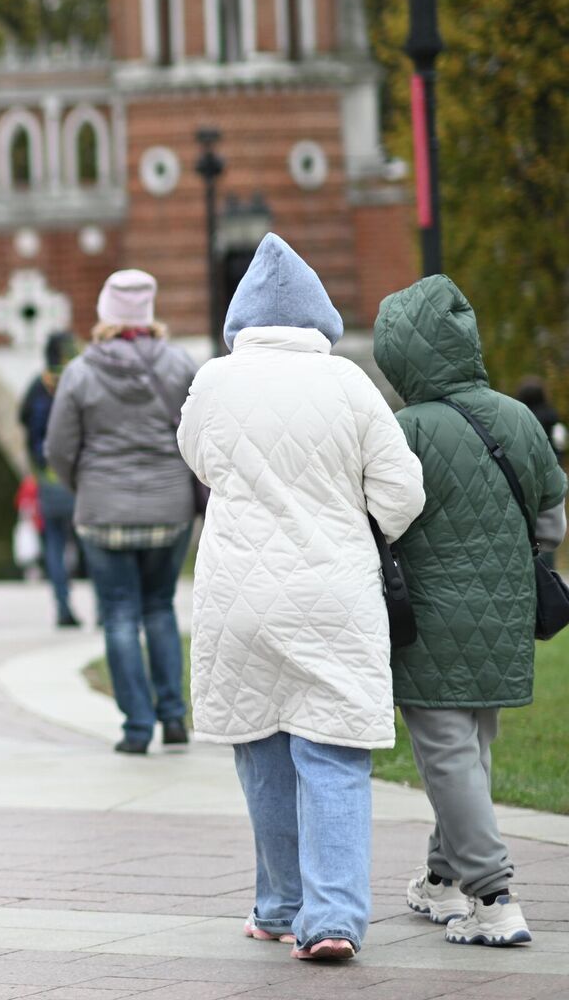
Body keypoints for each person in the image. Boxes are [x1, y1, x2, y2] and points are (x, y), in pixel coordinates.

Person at [179, 234, 425, 962]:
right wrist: (361, 524)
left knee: (261, 748)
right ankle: (334, 917)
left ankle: (280, 905)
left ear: (241, 319)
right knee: (333, 752)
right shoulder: (349, 383)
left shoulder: (214, 382)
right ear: (318, 316)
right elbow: (403, 491)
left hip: (238, 595)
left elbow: (196, 457)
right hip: (333, 593)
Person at [374, 276, 567, 948]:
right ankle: (442, 880)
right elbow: (552, 521)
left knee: (450, 756)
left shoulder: (405, 430)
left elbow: (381, 521)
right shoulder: (518, 417)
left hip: (429, 618)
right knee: (470, 750)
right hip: (506, 613)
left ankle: (493, 897)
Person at [46, 272, 198, 754]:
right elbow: (200, 435)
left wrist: (85, 486)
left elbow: (58, 448)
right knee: (159, 607)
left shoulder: (79, 372)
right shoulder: (180, 365)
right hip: (170, 508)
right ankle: (173, 716)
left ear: (105, 313)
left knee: (118, 615)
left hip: (103, 510)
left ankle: (136, 728)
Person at [19, 330, 82, 627]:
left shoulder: (39, 385)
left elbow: (24, 420)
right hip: (78, 475)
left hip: (48, 477)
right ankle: (104, 609)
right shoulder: (79, 381)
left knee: (54, 544)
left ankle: (62, 606)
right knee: (87, 543)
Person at [513, 377, 566, 463]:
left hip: (522, 463)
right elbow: (559, 440)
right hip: (549, 461)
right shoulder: (550, 415)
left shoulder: (517, 415)